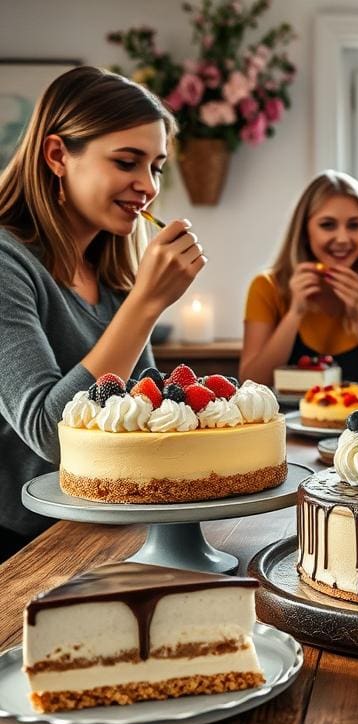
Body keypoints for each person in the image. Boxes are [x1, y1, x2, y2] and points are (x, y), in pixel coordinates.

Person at [0, 66, 206, 559]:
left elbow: (155, 414)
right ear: (57, 156)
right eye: (126, 162)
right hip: (26, 549)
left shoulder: (114, 278)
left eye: (155, 166)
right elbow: (52, 434)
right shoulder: (7, 263)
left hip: (112, 531)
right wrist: (147, 304)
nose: (148, 185)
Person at [241, 170, 358, 385]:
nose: (342, 238)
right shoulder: (266, 286)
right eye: (327, 225)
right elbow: (251, 382)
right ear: (304, 231)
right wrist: (295, 313)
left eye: (354, 225)